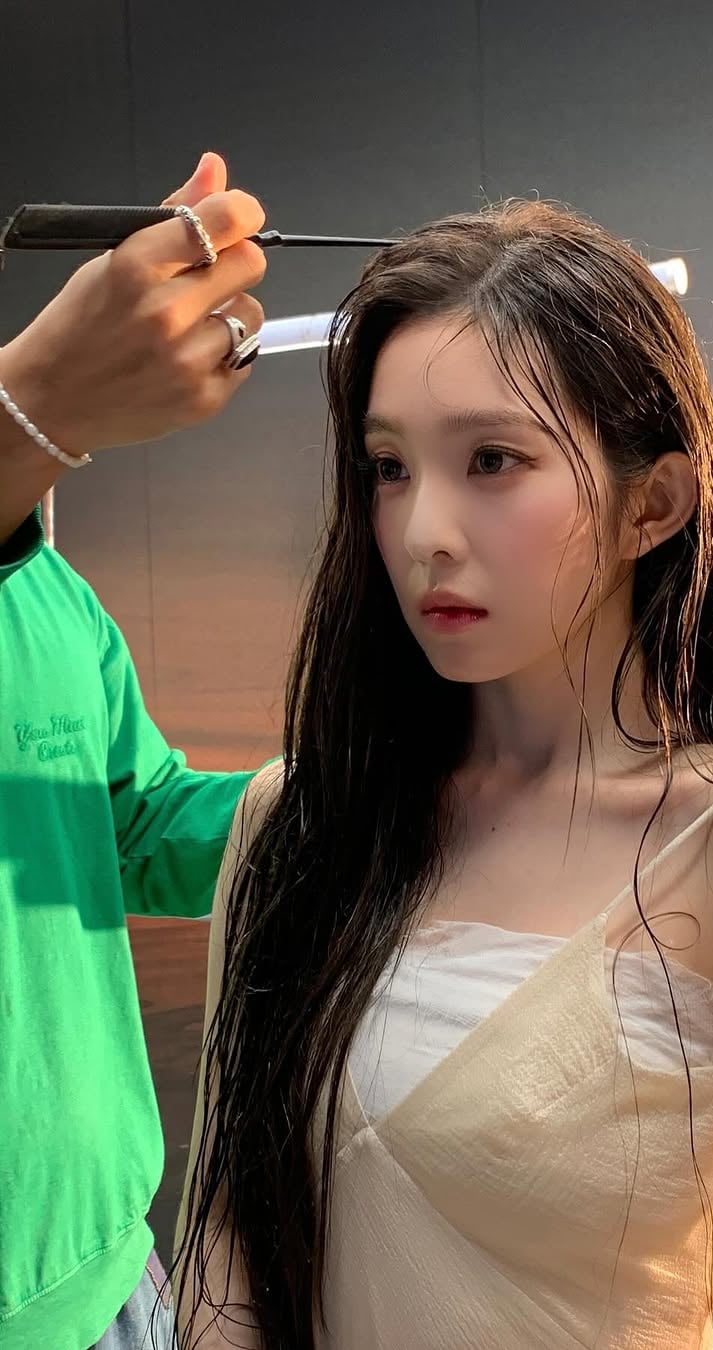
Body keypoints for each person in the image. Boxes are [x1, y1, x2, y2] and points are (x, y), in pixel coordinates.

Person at [175, 199, 713, 1350]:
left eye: (493, 461)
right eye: (389, 467)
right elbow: (225, 1250)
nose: (423, 531)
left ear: (653, 504)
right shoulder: (298, 821)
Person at [0, 152, 271, 1350]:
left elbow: (132, 826)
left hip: (115, 1271)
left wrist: (337, 796)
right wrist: (32, 407)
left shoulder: (52, 595)